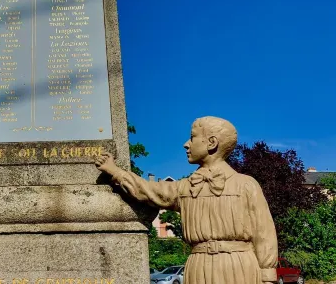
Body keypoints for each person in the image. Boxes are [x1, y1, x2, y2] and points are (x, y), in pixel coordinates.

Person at [95, 116, 278, 284]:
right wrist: (116, 172)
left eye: (192, 138)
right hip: (198, 266)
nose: (186, 144)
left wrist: (267, 276)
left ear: (211, 143)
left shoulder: (246, 185)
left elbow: (264, 234)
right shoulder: (184, 187)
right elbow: (149, 190)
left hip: (239, 266)